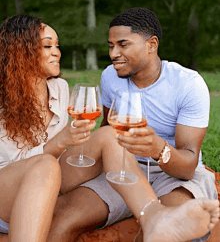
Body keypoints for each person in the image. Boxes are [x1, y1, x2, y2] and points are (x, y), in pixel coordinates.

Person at [1, 12, 218, 242]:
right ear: (20, 52)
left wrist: (157, 148)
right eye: (111, 46)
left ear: (151, 44)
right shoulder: (111, 78)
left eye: (122, 45)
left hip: (170, 171)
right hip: (24, 184)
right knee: (60, 209)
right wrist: (66, 142)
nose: (113, 54)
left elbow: (187, 166)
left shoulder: (188, 84)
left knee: (164, 233)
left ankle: (155, 218)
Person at [0, 14, 96, 241]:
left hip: (45, 192)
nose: (57, 52)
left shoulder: (61, 88)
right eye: (47, 46)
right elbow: (12, 165)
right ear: (21, 52)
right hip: (5, 197)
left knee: (107, 136)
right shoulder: (3, 100)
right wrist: (59, 142)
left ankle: (153, 214)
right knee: (46, 163)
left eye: (57, 45)